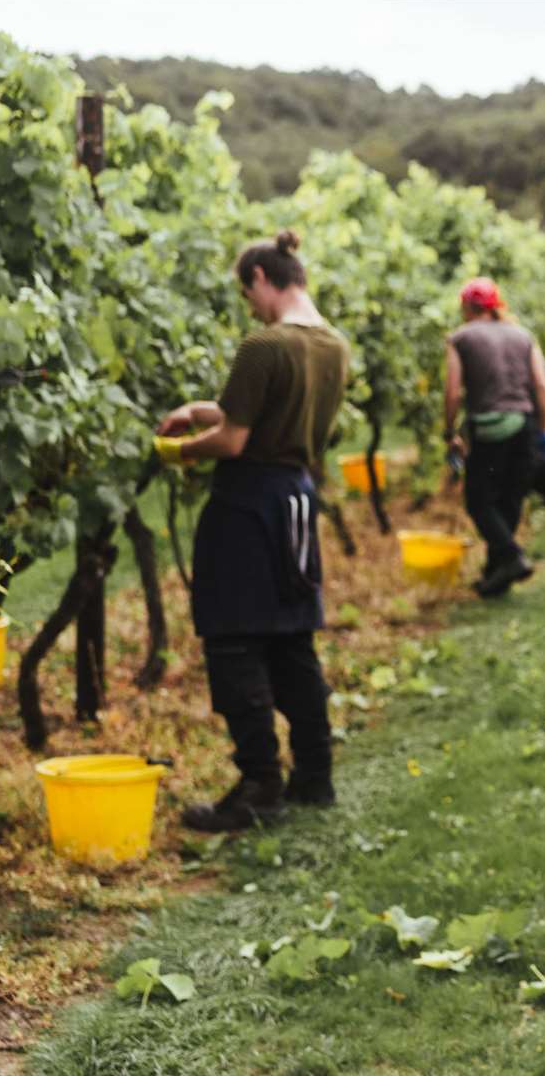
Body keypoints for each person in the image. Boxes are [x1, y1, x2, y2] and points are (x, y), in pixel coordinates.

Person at [154, 230, 349, 831]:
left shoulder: (264, 344)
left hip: (248, 504)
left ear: (263, 278)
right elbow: (261, 414)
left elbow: (235, 440)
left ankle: (260, 784)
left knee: (234, 639)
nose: (250, 306)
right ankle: (314, 775)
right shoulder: (332, 345)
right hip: (296, 500)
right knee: (292, 637)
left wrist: (177, 450)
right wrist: (203, 409)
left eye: (248, 293)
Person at [444, 278, 545, 597]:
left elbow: (453, 392)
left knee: (479, 501)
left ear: (467, 307)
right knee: (509, 499)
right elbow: (542, 386)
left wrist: (450, 432)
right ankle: (496, 576)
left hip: (488, 426)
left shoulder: (460, 337)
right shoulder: (523, 336)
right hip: (523, 425)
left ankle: (511, 557)